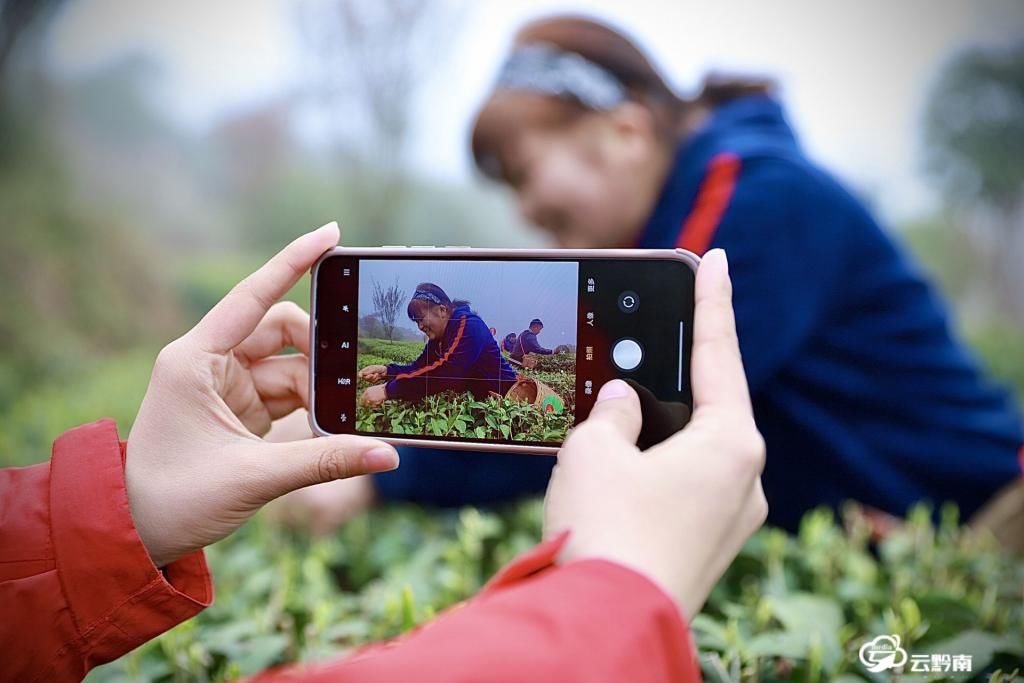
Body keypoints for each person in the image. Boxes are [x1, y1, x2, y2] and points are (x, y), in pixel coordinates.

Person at [321, 14, 1022, 540]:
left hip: (991, 513)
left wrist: (380, 477)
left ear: (626, 131)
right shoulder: (682, 224)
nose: (525, 212)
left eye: (525, 173)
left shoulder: (756, 203)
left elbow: (621, 415)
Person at [0, 224, 767, 681]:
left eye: (425, 314)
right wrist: (618, 596)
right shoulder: (445, 334)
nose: (424, 323)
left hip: (500, 385)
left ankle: (526, 399)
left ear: (437, 306)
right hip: (486, 382)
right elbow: (424, 370)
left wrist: (127, 510)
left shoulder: (463, 330)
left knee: (492, 396)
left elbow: (438, 373)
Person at [357, 282, 518, 408]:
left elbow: (447, 372)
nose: (419, 326)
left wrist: (388, 390)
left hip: (509, 398)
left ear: (442, 310)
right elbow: (418, 368)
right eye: (416, 321)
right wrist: (387, 371)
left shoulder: (468, 325)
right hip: (483, 401)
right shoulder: (437, 340)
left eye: (421, 318)